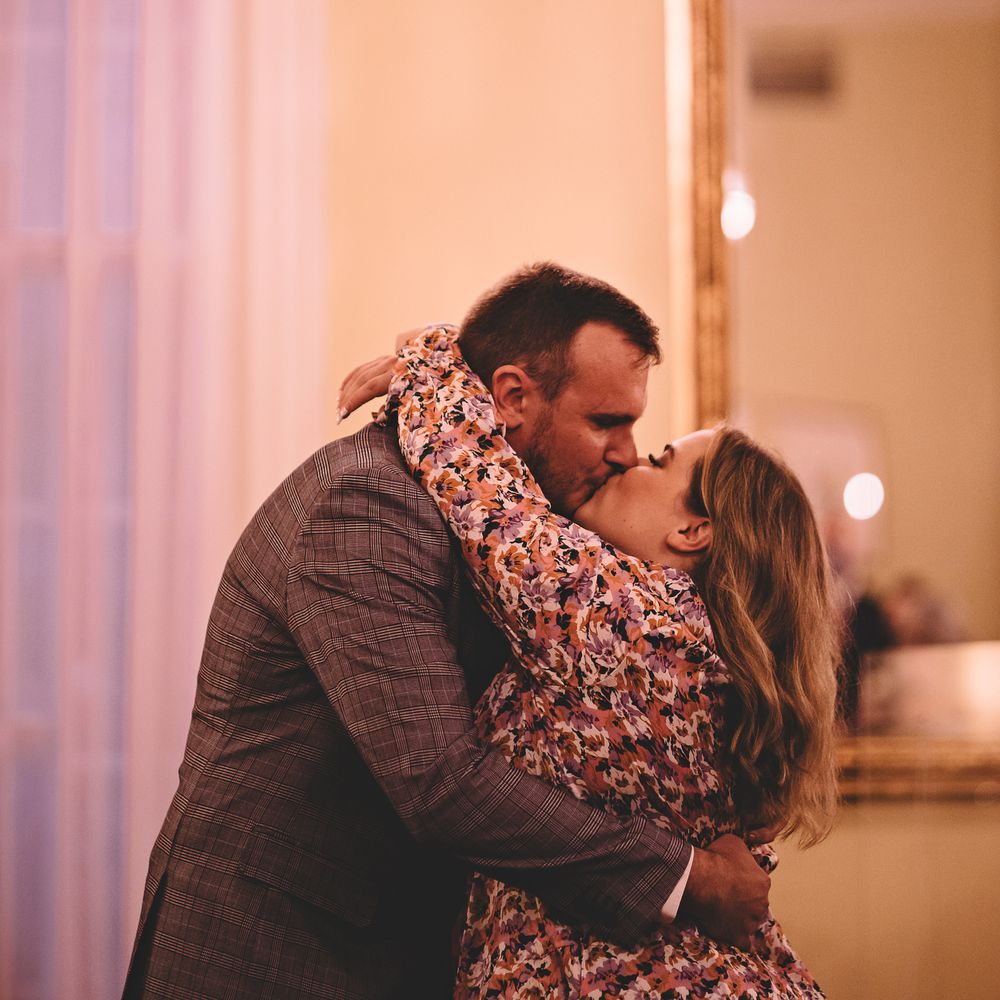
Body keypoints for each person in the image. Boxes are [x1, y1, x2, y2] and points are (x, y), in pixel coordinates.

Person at [122, 263, 770, 999]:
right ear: (513, 398)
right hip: (276, 953)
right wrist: (687, 877)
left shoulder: (514, 528)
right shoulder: (367, 504)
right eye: (606, 422)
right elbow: (439, 783)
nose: (623, 451)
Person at [371, 322, 839, 996]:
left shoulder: (631, 617)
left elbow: (476, 486)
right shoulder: (704, 648)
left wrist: (433, 356)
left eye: (659, 461)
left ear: (692, 529)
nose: (627, 460)